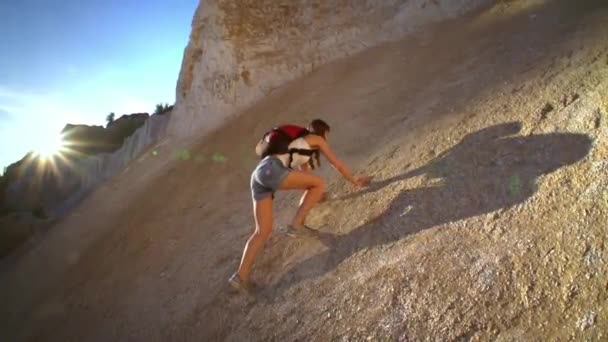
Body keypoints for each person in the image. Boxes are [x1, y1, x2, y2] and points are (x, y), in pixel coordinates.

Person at [229, 119, 372, 293]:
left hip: (258, 174)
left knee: (262, 231)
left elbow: (306, 180)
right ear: (322, 133)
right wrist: (354, 181)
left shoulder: (298, 146)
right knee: (320, 183)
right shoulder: (315, 139)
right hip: (272, 169)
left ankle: (239, 277)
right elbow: (336, 164)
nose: (326, 140)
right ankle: (296, 226)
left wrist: (318, 195)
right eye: (327, 136)